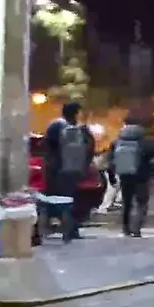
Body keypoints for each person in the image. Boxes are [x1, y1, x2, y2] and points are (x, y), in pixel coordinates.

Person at [43, 101, 94, 241]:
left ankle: (69, 229)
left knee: (66, 199)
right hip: (66, 168)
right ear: (75, 113)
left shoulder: (56, 126)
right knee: (67, 199)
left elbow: (47, 147)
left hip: (60, 167)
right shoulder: (67, 128)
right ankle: (69, 230)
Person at [108, 114, 154, 238]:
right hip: (142, 176)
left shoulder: (117, 142)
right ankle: (136, 228)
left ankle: (125, 228)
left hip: (125, 175)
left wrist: (112, 176)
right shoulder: (146, 142)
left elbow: (111, 161)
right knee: (141, 202)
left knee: (127, 203)